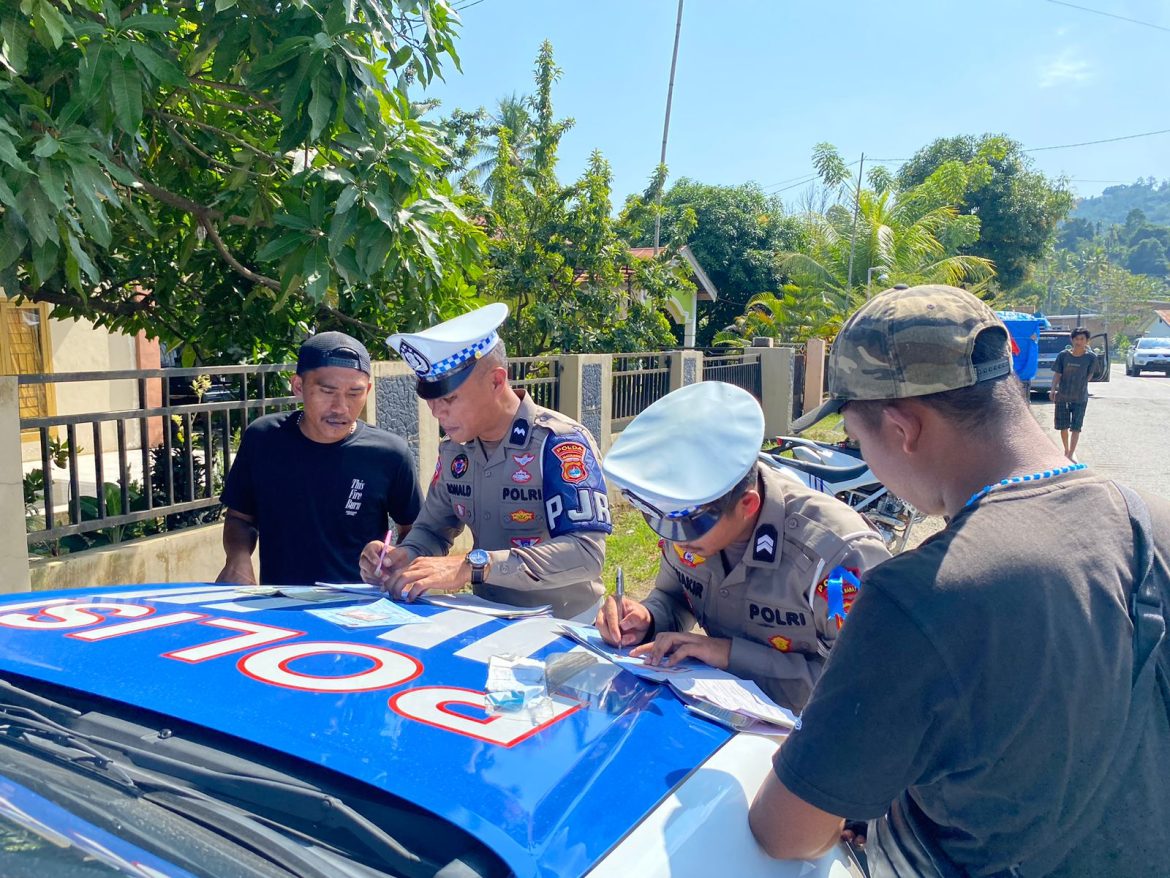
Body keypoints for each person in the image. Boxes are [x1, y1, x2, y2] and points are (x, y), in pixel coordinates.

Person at [748, 285, 1170, 876]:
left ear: (902, 428)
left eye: (857, 441)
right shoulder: (1151, 518)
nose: (865, 459)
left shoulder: (920, 594)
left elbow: (785, 832)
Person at [595, 381, 890, 712]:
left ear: (747, 505)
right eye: (661, 522)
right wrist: (647, 618)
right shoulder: (694, 528)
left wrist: (729, 655)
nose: (677, 541)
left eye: (686, 525)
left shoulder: (835, 559)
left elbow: (868, 684)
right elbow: (674, 597)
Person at [358, 303, 612, 620]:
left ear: (495, 381)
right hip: (487, 618)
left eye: (449, 398)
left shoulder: (559, 443)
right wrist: (402, 557)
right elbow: (432, 530)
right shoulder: (455, 452)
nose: (436, 413)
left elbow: (587, 554)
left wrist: (476, 566)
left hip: (562, 623)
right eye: (431, 401)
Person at [217, 332, 422, 586]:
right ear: (298, 386)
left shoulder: (390, 453)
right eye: (327, 391)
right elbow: (239, 517)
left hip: (361, 604)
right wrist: (237, 559)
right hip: (279, 602)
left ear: (368, 390)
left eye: (354, 393)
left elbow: (415, 530)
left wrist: (395, 561)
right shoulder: (263, 439)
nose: (340, 407)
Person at [1049, 326, 1098, 462]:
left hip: (1080, 398)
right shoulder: (1063, 355)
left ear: (1087, 341)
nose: (1079, 342)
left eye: (1082, 339)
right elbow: (1057, 374)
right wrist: (1053, 389)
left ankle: (1071, 453)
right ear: (1072, 340)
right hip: (1063, 396)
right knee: (1063, 426)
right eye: (1076, 339)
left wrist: (1081, 383)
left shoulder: (1091, 358)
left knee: (1076, 427)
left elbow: (1090, 374)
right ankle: (1066, 450)